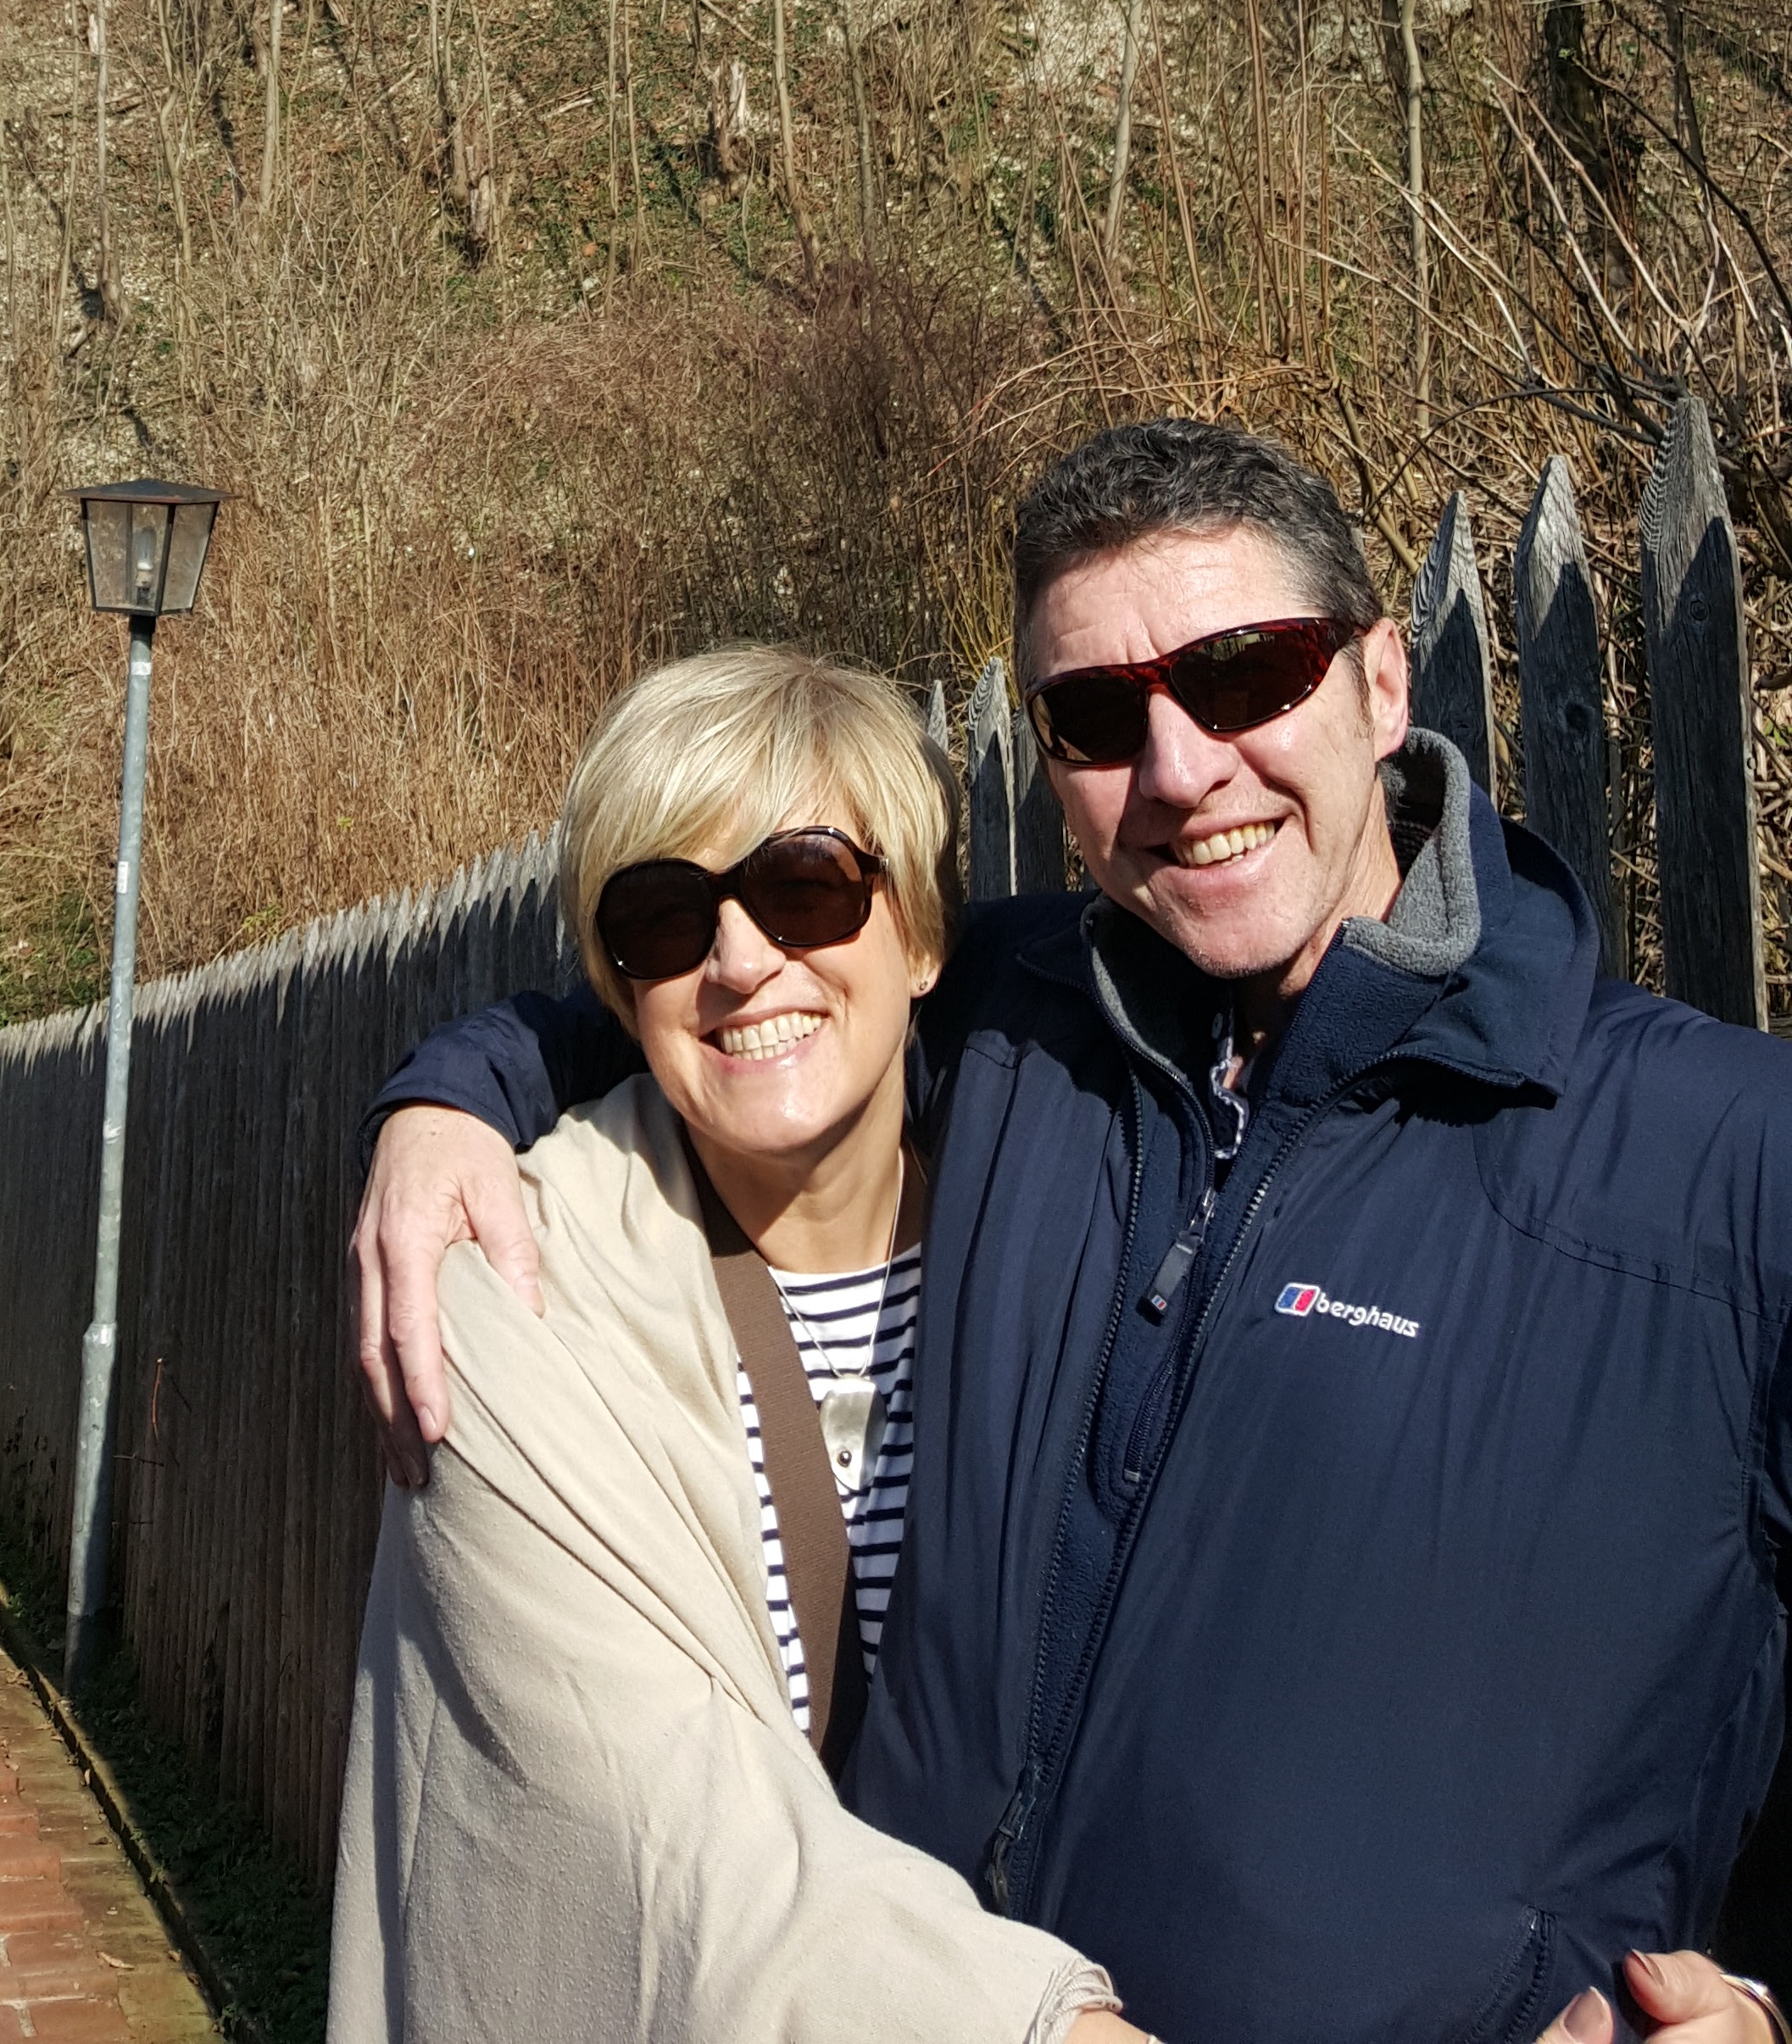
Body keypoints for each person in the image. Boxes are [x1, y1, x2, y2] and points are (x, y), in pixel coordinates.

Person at [351, 421, 1792, 2044]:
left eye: (1244, 674)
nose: (1180, 769)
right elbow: (730, 1003)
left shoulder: (1722, 1162)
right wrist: (450, 1100)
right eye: (1099, 716)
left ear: (1383, 686)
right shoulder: (1026, 1019)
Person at [331, 644, 1139, 2044]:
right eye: (664, 917)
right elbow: (663, 1840)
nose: (742, 960)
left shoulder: (1092, 1232)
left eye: (806, 887)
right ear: (618, 983)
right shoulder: (506, 1296)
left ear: (922, 936)